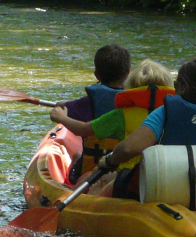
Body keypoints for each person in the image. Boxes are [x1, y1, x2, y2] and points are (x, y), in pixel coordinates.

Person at [93, 58, 196, 200]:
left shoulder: (165, 112)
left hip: (164, 190)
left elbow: (128, 149)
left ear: (179, 86)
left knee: (123, 177)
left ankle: (94, 199)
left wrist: (109, 162)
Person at [51, 59, 175, 188]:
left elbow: (83, 130)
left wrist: (62, 118)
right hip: (164, 175)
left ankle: (76, 196)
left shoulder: (122, 115)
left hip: (128, 175)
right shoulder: (172, 113)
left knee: (91, 176)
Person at [57, 44, 131, 123]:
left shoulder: (88, 102)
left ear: (97, 75)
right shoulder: (134, 99)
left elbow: (60, 107)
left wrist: (58, 104)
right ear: (128, 72)